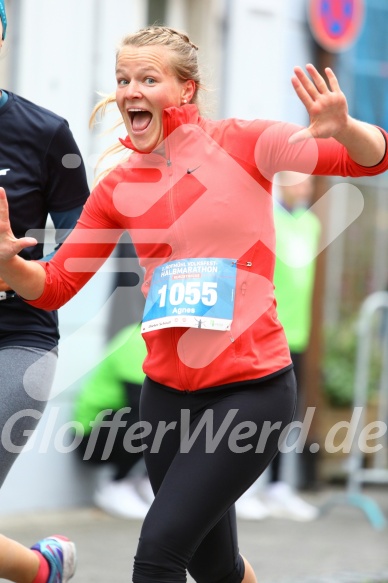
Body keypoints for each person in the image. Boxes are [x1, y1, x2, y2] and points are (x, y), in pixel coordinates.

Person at [0, 24, 387, 583]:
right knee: (216, 567)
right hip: (166, 398)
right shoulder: (119, 187)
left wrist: (346, 128)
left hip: (251, 389)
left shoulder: (247, 141)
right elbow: (58, 283)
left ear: (187, 89)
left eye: (148, 78)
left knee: (158, 553)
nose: (130, 89)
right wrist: (11, 266)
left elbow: (369, 160)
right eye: (123, 79)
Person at [0, 2, 89, 582]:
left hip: (18, 340)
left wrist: (19, 269)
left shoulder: (47, 132)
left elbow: (83, 248)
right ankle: (41, 570)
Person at [73, 322, 153, 519]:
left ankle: (147, 482)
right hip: (91, 437)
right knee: (153, 416)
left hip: (116, 426)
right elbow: (141, 399)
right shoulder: (137, 340)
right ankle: (117, 486)